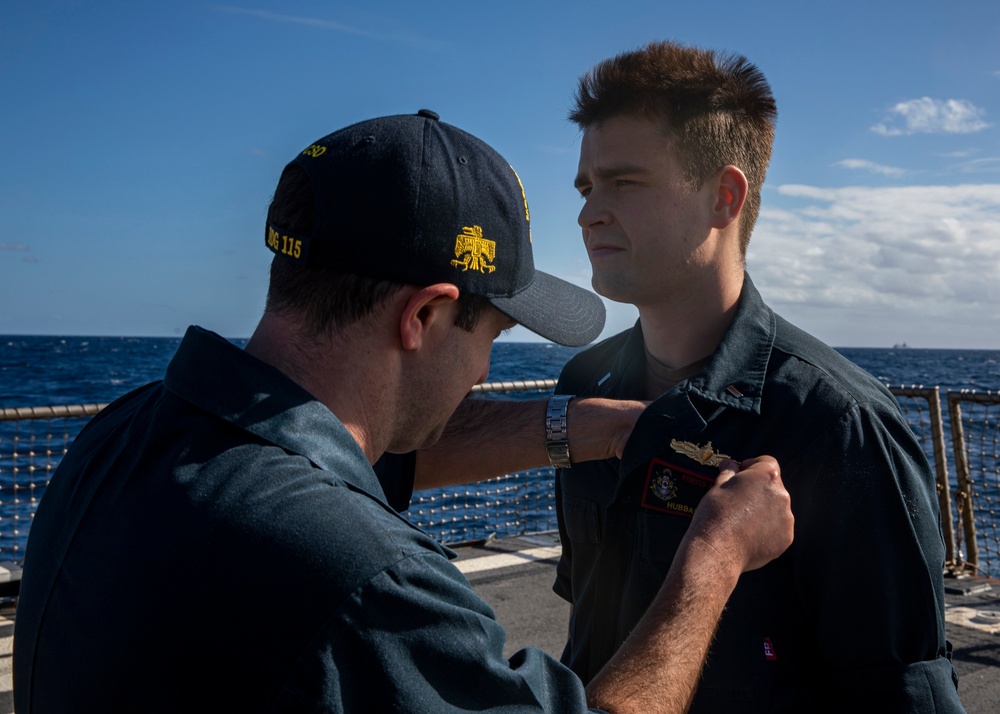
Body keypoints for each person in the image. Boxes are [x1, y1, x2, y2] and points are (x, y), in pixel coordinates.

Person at [13, 110, 794, 713]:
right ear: (422, 317)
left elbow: (354, 460)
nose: (486, 367)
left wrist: (602, 428)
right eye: (490, 335)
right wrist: (715, 552)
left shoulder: (126, 434)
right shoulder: (369, 582)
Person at [550, 40, 965, 712]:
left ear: (723, 195)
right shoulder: (585, 384)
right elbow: (592, 621)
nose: (588, 212)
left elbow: (901, 696)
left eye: (623, 182)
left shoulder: (837, 424)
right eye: (587, 186)